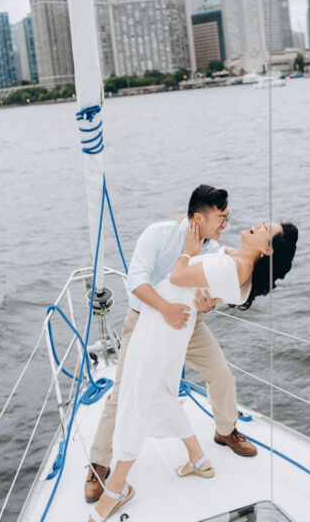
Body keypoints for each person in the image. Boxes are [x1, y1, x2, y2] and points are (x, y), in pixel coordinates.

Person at [88, 219, 298, 522]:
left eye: (265, 228)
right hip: (162, 322)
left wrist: (187, 250)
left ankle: (117, 488)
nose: (257, 224)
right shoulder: (239, 265)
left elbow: (178, 276)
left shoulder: (234, 266)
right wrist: (209, 295)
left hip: (165, 326)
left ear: (267, 249)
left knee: (137, 400)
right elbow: (215, 284)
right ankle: (198, 459)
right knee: (156, 393)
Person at [85, 185, 258, 504]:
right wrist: (165, 309)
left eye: (227, 217)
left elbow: (214, 291)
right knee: (123, 392)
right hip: (144, 322)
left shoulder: (215, 250)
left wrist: (209, 304)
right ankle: (99, 463)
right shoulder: (158, 234)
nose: (226, 225)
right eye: (221, 218)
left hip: (190, 324)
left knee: (222, 376)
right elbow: (136, 280)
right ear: (198, 218)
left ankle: (225, 430)